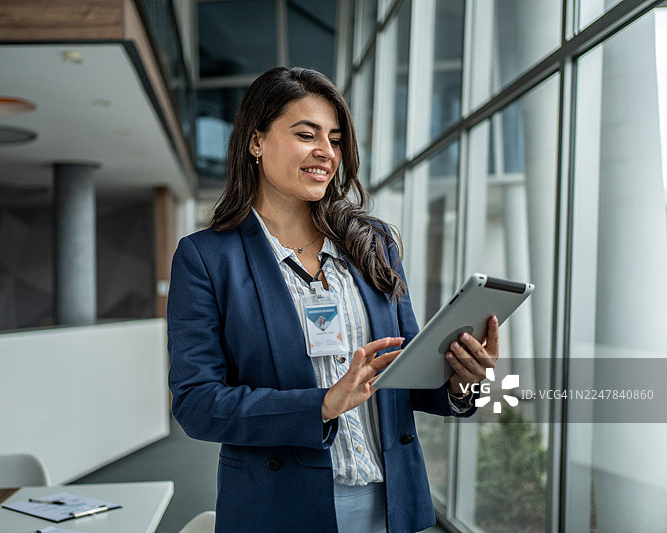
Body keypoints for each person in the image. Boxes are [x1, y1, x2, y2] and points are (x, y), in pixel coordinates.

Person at [167, 67, 498, 533]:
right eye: (307, 135)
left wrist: (462, 381)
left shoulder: (372, 244)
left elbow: (405, 373)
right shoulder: (207, 258)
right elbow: (197, 403)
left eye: (336, 140)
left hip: (391, 504)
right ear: (256, 141)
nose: (327, 152)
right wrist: (320, 404)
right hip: (280, 509)